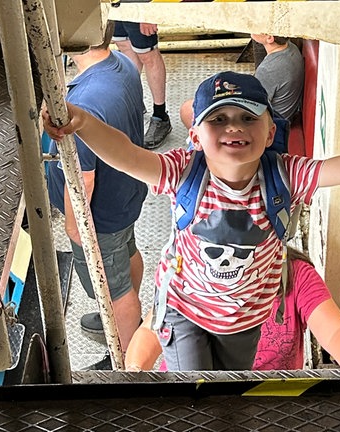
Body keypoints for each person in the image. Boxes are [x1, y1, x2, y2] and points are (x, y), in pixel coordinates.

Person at [42, 70, 340, 371]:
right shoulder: (184, 172)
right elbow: (128, 156)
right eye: (218, 117)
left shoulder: (284, 176)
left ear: (270, 132)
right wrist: (82, 124)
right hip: (185, 308)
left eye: (248, 116)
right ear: (195, 135)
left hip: (245, 319)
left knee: (228, 398)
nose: (234, 126)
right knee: (200, 401)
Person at [46, 21, 147, 368]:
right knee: (126, 258)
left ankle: (124, 359)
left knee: (115, 292)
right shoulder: (123, 64)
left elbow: (83, 180)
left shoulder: (84, 100)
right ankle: (124, 322)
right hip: (125, 198)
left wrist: (76, 231)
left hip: (99, 218)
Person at [123, 247, 340, 371]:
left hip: (268, 408)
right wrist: (134, 376)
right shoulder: (188, 268)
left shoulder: (294, 276)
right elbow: (152, 330)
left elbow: (335, 331)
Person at [179, 33, 304, 129]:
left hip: (271, 123)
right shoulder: (291, 49)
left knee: (188, 110)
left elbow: (253, 107)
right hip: (280, 115)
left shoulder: (269, 69)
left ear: (269, 38)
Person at [113, 21, 172, 149]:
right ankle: (135, 102)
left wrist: (146, 14)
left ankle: (160, 116)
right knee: (124, 45)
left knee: (147, 54)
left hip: (138, 4)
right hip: (115, 3)